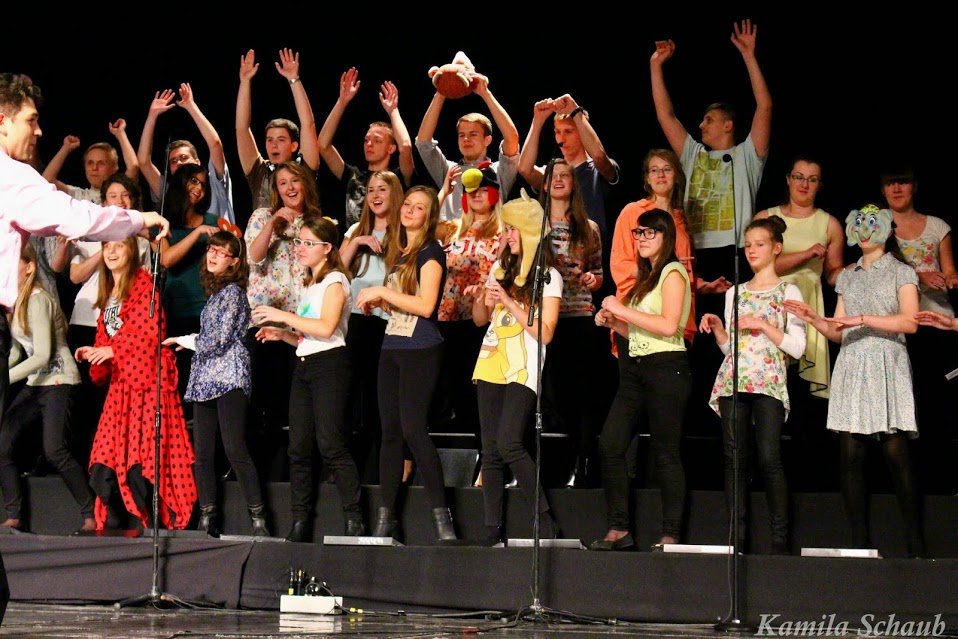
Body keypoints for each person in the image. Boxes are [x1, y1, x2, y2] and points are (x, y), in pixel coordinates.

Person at [0, 70, 167, 628]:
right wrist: (136, 219)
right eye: (30, 120)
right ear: (2, 120)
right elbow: (76, 217)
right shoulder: (10, 176)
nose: (37, 131)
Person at [784, 205, 926, 557]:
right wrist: (814, 319)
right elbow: (838, 330)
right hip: (852, 362)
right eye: (859, 224)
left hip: (886, 361)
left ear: (886, 230)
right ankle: (859, 544)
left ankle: (916, 543)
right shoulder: (847, 276)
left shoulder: (902, 272)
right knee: (850, 454)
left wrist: (863, 318)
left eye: (872, 224)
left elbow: (910, 322)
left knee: (895, 451)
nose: (864, 231)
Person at [699, 216, 806, 554]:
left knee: (770, 458)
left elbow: (797, 348)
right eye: (748, 245)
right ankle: (737, 539)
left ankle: (779, 540)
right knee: (734, 460)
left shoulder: (789, 291)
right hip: (735, 380)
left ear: (776, 248)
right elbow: (732, 348)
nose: (752, 251)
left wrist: (763, 324)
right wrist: (719, 330)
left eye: (760, 244)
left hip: (769, 382)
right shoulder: (735, 292)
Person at [254, 217, 364, 542]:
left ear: (327, 248)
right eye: (299, 242)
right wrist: (283, 334)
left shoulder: (335, 281)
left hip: (330, 366)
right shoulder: (309, 283)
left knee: (331, 444)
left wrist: (282, 316)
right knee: (298, 447)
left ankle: (354, 518)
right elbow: (308, 336)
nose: (301, 248)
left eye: (309, 243)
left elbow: (327, 328)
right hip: (305, 365)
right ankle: (300, 521)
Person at [356, 186, 456, 542]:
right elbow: (404, 302)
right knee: (390, 434)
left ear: (429, 216)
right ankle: (387, 518)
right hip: (392, 345)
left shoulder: (431, 252)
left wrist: (383, 293)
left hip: (421, 348)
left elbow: (426, 305)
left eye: (419, 207)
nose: (410, 210)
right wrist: (383, 304)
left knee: (413, 429)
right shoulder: (401, 253)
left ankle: (442, 518)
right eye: (408, 205)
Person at [76, 237, 196, 531]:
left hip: (146, 384)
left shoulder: (144, 286)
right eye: (107, 246)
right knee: (105, 457)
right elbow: (107, 339)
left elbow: (150, 333)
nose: (112, 251)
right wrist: (94, 353)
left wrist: (113, 351)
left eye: (119, 245)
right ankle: (117, 522)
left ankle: (148, 522)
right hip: (122, 387)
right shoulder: (109, 294)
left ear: (132, 251)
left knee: (142, 458)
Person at [590, 209, 692, 550]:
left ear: (666, 236)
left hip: (667, 369)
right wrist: (614, 323)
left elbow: (668, 325)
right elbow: (640, 333)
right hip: (635, 369)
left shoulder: (673, 272)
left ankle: (670, 534)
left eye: (651, 233)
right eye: (639, 233)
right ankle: (619, 528)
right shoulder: (644, 278)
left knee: (666, 452)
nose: (642, 239)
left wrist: (620, 309)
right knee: (610, 443)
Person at [649, 19, 772, 286]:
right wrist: (655, 65)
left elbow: (764, 106)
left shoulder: (747, 155)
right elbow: (665, 116)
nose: (701, 125)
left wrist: (749, 55)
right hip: (695, 251)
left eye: (709, 120)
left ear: (728, 125)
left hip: (737, 252)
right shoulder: (693, 154)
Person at [470, 190, 561, 544]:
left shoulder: (548, 277)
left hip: (524, 364)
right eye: (506, 229)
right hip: (492, 360)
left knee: (509, 441)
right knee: (490, 450)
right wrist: (482, 298)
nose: (507, 235)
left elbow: (546, 332)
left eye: (513, 229)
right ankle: (492, 528)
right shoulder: (501, 270)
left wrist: (508, 300)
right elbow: (480, 320)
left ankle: (544, 519)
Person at [164, 229, 267, 538]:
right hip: (205, 378)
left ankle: (259, 519)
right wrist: (189, 341)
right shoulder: (213, 296)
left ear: (234, 261)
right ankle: (208, 518)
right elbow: (210, 338)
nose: (213, 255)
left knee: (235, 447)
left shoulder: (233, 293)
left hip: (228, 376)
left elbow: (219, 339)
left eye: (222, 252)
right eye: (212, 249)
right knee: (203, 454)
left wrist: (186, 340)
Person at [1, 244, 96, 534]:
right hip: (36, 382)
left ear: (29, 267)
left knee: (54, 450)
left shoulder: (38, 299)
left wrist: (5, 379)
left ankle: (91, 513)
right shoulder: (15, 303)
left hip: (58, 380)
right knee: (3, 444)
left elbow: (42, 355)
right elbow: (18, 351)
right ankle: (14, 514)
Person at [880, 165, 957, 493]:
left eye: (902, 182)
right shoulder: (878, 225)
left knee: (937, 401)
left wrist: (948, 278)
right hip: (899, 324)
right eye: (890, 183)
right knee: (903, 403)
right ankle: (907, 484)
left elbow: (949, 269)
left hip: (937, 320)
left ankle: (942, 480)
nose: (896, 189)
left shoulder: (938, 226)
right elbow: (879, 268)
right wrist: (918, 276)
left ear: (914, 186)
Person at [754, 156, 844, 399]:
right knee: (768, 376)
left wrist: (856, 271)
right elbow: (759, 264)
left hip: (808, 304)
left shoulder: (829, 223)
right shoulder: (766, 217)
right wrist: (806, 254)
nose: (804, 184)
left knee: (801, 388)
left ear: (819, 185)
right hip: (771, 303)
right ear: (788, 179)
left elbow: (833, 273)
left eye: (812, 180)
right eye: (799, 177)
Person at [538, 159, 603, 487]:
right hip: (543, 320)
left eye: (566, 175)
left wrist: (592, 278)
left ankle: (581, 463)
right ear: (545, 184)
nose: (560, 180)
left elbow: (598, 273)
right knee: (547, 397)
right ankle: (547, 466)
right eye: (554, 176)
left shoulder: (588, 228)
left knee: (580, 396)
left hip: (577, 317)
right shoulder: (535, 223)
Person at [340, 171, 401, 482]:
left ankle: (380, 472)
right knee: (352, 399)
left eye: (382, 189)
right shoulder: (356, 230)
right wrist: (357, 242)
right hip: (356, 324)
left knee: (380, 401)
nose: (375, 195)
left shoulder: (403, 231)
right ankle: (352, 472)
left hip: (386, 325)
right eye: (371, 190)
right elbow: (334, 271)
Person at [416, 68, 519, 221]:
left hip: (488, 235)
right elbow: (423, 142)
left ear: (487, 140)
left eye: (473, 134)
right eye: (461, 135)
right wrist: (441, 93)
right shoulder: (450, 170)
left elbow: (512, 139)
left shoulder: (499, 171)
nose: (466, 139)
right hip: (450, 235)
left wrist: (486, 94)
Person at [317, 68, 414, 226]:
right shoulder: (353, 177)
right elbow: (323, 145)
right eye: (366, 140)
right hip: (353, 241)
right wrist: (342, 101)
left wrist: (393, 111)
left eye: (377, 140)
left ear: (391, 148)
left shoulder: (397, 178)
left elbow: (405, 146)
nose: (369, 144)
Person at [517, 95, 619, 238]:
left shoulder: (596, 170)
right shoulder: (553, 174)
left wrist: (575, 111)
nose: (561, 139)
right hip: (556, 249)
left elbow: (599, 156)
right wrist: (537, 121)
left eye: (568, 131)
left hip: (589, 248)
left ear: (582, 132)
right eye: (557, 132)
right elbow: (524, 169)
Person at [235, 48, 320, 210]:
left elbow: (308, 124)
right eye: (269, 140)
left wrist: (294, 79)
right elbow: (242, 129)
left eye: (281, 140)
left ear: (294, 146)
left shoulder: (304, 169)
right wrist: (245, 82)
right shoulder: (259, 172)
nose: (274, 145)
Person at [137, 84, 235, 223]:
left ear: (197, 162)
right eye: (173, 161)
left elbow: (215, 144)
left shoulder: (213, 181)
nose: (178, 162)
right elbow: (143, 163)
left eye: (184, 157)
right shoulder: (170, 191)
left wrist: (191, 106)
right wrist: (152, 116)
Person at [42, 121, 139, 202]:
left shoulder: (123, 192)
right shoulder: (79, 196)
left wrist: (120, 134)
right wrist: (65, 148)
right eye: (90, 163)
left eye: (101, 163)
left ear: (114, 168)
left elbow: (133, 167)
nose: (94, 168)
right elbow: (46, 181)